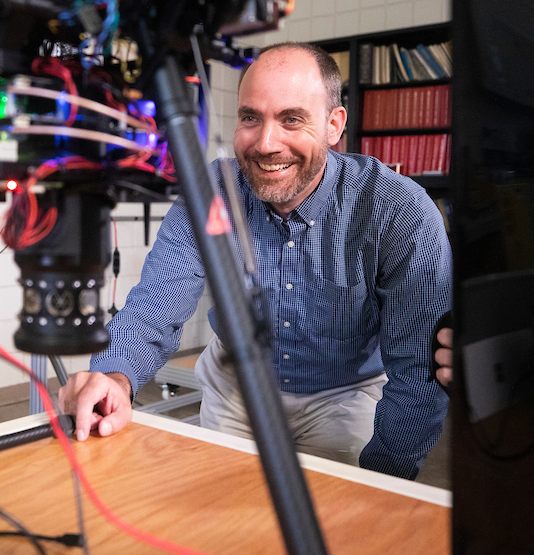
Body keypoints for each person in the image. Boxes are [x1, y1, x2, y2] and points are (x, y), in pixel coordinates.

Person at [59, 43, 452, 479]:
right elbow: (156, 302)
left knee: (337, 525)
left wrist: (385, 481)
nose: (266, 144)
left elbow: (418, 372)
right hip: (235, 385)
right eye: (250, 117)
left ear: (334, 124)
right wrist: (116, 376)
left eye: (292, 119)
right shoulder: (211, 191)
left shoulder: (398, 211)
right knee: (219, 514)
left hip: (344, 393)